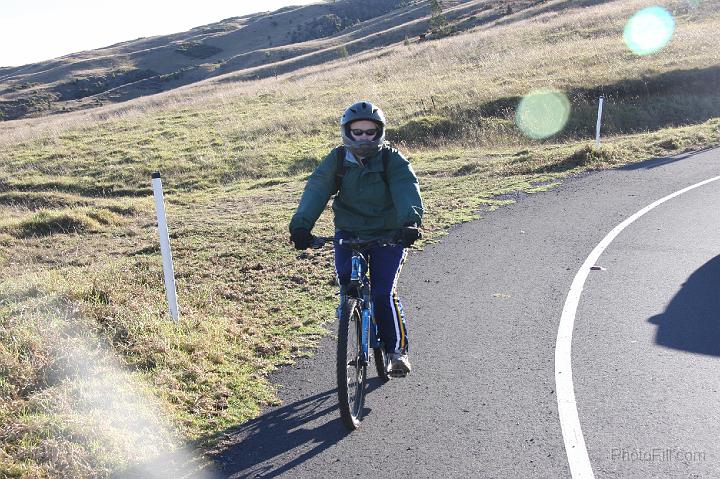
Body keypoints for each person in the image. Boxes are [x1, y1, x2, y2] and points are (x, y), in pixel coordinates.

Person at [288, 100, 424, 376]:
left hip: (390, 233)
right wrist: (301, 227)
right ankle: (353, 323)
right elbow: (317, 190)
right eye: (358, 131)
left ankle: (396, 352)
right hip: (349, 232)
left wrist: (409, 223)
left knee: (383, 293)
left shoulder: (392, 160)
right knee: (348, 287)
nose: (363, 137)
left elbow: (405, 189)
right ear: (347, 132)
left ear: (380, 132)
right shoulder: (337, 160)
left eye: (370, 131)